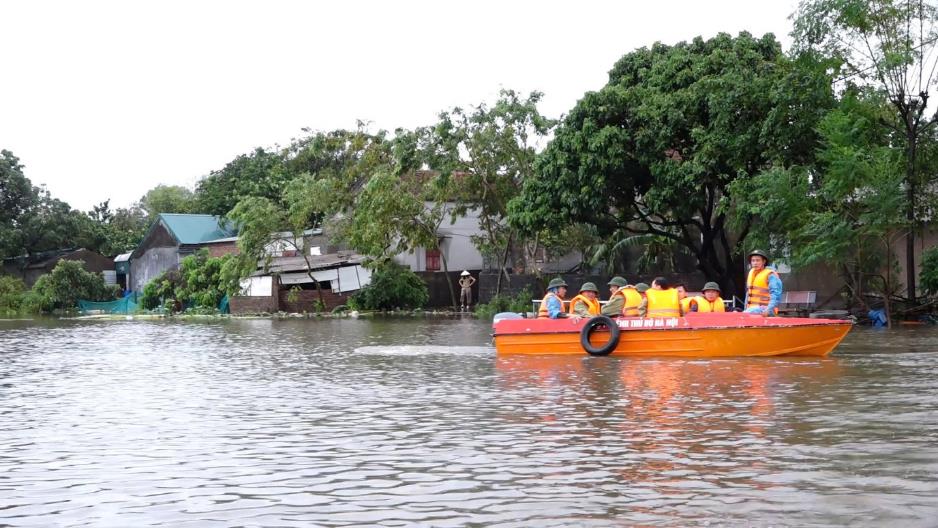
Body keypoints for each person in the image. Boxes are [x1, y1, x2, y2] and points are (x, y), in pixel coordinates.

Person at [744, 249, 782, 316]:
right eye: (753, 260)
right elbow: (748, 294)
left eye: (758, 260)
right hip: (751, 309)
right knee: (743, 314)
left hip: (766, 309)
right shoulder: (751, 273)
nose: (755, 263)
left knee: (745, 313)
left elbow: (775, 294)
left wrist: (768, 310)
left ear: (764, 261)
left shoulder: (770, 275)